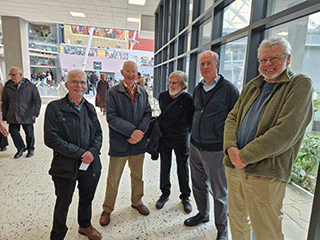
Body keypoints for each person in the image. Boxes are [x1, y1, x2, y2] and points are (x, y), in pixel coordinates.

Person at [223, 37, 313, 240]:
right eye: (263, 60)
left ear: (288, 59)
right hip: (235, 167)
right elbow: (232, 117)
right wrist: (230, 148)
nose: (268, 64)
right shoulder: (252, 86)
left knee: (266, 230)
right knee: (237, 221)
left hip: (265, 172)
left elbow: (285, 132)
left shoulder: (299, 84)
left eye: (274, 58)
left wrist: (244, 156)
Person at [184, 51, 239, 240]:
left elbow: (236, 120)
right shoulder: (198, 87)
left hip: (216, 150)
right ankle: (202, 213)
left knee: (219, 192)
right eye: (202, 64)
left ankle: (222, 229)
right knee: (198, 185)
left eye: (209, 63)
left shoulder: (229, 89)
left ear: (217, 64)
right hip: (195, 146)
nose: (205, 67)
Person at [44, 69, 103, 240]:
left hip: (90, 164)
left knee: (87, 198)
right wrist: (80, 153)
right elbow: (51, 138)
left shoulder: (90, 108)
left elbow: (98, 134)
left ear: (87, 85)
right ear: (67, 84)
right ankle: (58, 234)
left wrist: (92, 152)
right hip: (64, 165)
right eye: (75, 82)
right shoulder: (55, 108)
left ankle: (85, 225)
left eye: (83, 82)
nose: (79, 86)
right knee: (63, 202)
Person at [100, 61, 152, 226]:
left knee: (138, 177)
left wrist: (140, 133)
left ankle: (137, 201)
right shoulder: (113, 92)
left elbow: (148, 113)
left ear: (137, 74)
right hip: (119, 144)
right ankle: (107, 209)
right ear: (122, 72)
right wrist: (132, 132)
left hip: (138, 144)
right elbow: (112, 118)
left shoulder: (143, 93)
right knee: (113, 180)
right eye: (128, 71)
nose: (131, 75)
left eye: (134, 72)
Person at [155, 70, 194, 213]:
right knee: (165, 167)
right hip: (164, 138)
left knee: (182, 167)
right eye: (170, 82)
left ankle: (185, 197)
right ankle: (164, 194)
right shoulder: (163, 96)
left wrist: (184, 132)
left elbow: (191, 120)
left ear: (182, 85)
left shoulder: (188, 99)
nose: (171, 85)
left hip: (181, 139)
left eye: (175, 83)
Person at [2, 67, 41, 158]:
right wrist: (5, 116)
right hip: (12, 114)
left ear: (20, 75)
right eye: (10, 75)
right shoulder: (8, 86)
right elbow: (5, 101)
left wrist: (35, 113)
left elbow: (37, 101)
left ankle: (30, 149)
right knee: (13, 132)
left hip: (27, 114)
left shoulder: (31, 86)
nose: (11, 77)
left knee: (29, 134)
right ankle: (20, 148)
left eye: (13, 75)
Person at [0, 81, 9, 151]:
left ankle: (3, 145)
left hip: (0, 109)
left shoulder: (1, 85)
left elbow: (4, 97)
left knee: (1, 127)